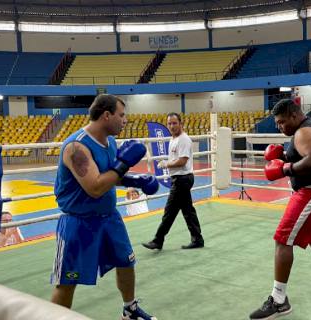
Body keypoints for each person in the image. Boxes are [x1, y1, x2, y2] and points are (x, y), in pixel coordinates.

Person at [50, 94, 159, 320]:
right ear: (106, 115)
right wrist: (124, 164)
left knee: (127, 262)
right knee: (67, 282)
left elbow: (109, 176)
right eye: (122, 115)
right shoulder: (76, 147)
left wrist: (135, 180)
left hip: (109, 218)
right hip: (79, 223)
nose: (125, 120)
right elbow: (95, 187)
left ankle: (130, 310)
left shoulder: (109, 142)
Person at [249, 99, 311, 320]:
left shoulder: (304, 131)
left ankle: (279, 301)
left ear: (295, 116)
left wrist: (285, 168)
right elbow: (306, 156)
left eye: (282, 122)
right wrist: (284, 157)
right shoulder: (309, 127)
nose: (280, 127)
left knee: (282, 239)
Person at [142, 112, 204, 250]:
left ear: (181, 123)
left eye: (174, 123)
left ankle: (158, 240)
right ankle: (197, 239)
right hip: (179, 178)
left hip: (182, 179)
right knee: (188, 211)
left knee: (169, 211)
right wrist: (168, 163)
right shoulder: (173, 139)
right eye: (169, 123)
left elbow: (182, 161)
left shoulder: (183, 140)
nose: (171, 126)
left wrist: (166, 164)